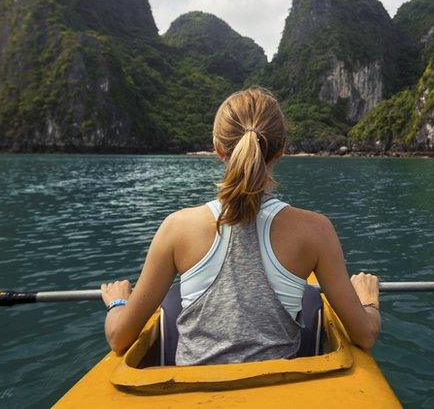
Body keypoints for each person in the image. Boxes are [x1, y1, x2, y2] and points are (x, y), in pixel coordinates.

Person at [99, 86, 381, 365]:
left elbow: (119, 338)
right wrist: (367, 301)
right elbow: (364, 335)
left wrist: (118, 303)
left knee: (171, 304)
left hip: (192, 394)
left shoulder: (177, 228)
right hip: (278, 391)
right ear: (281, 149)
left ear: (218, 149)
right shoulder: (315, 230)